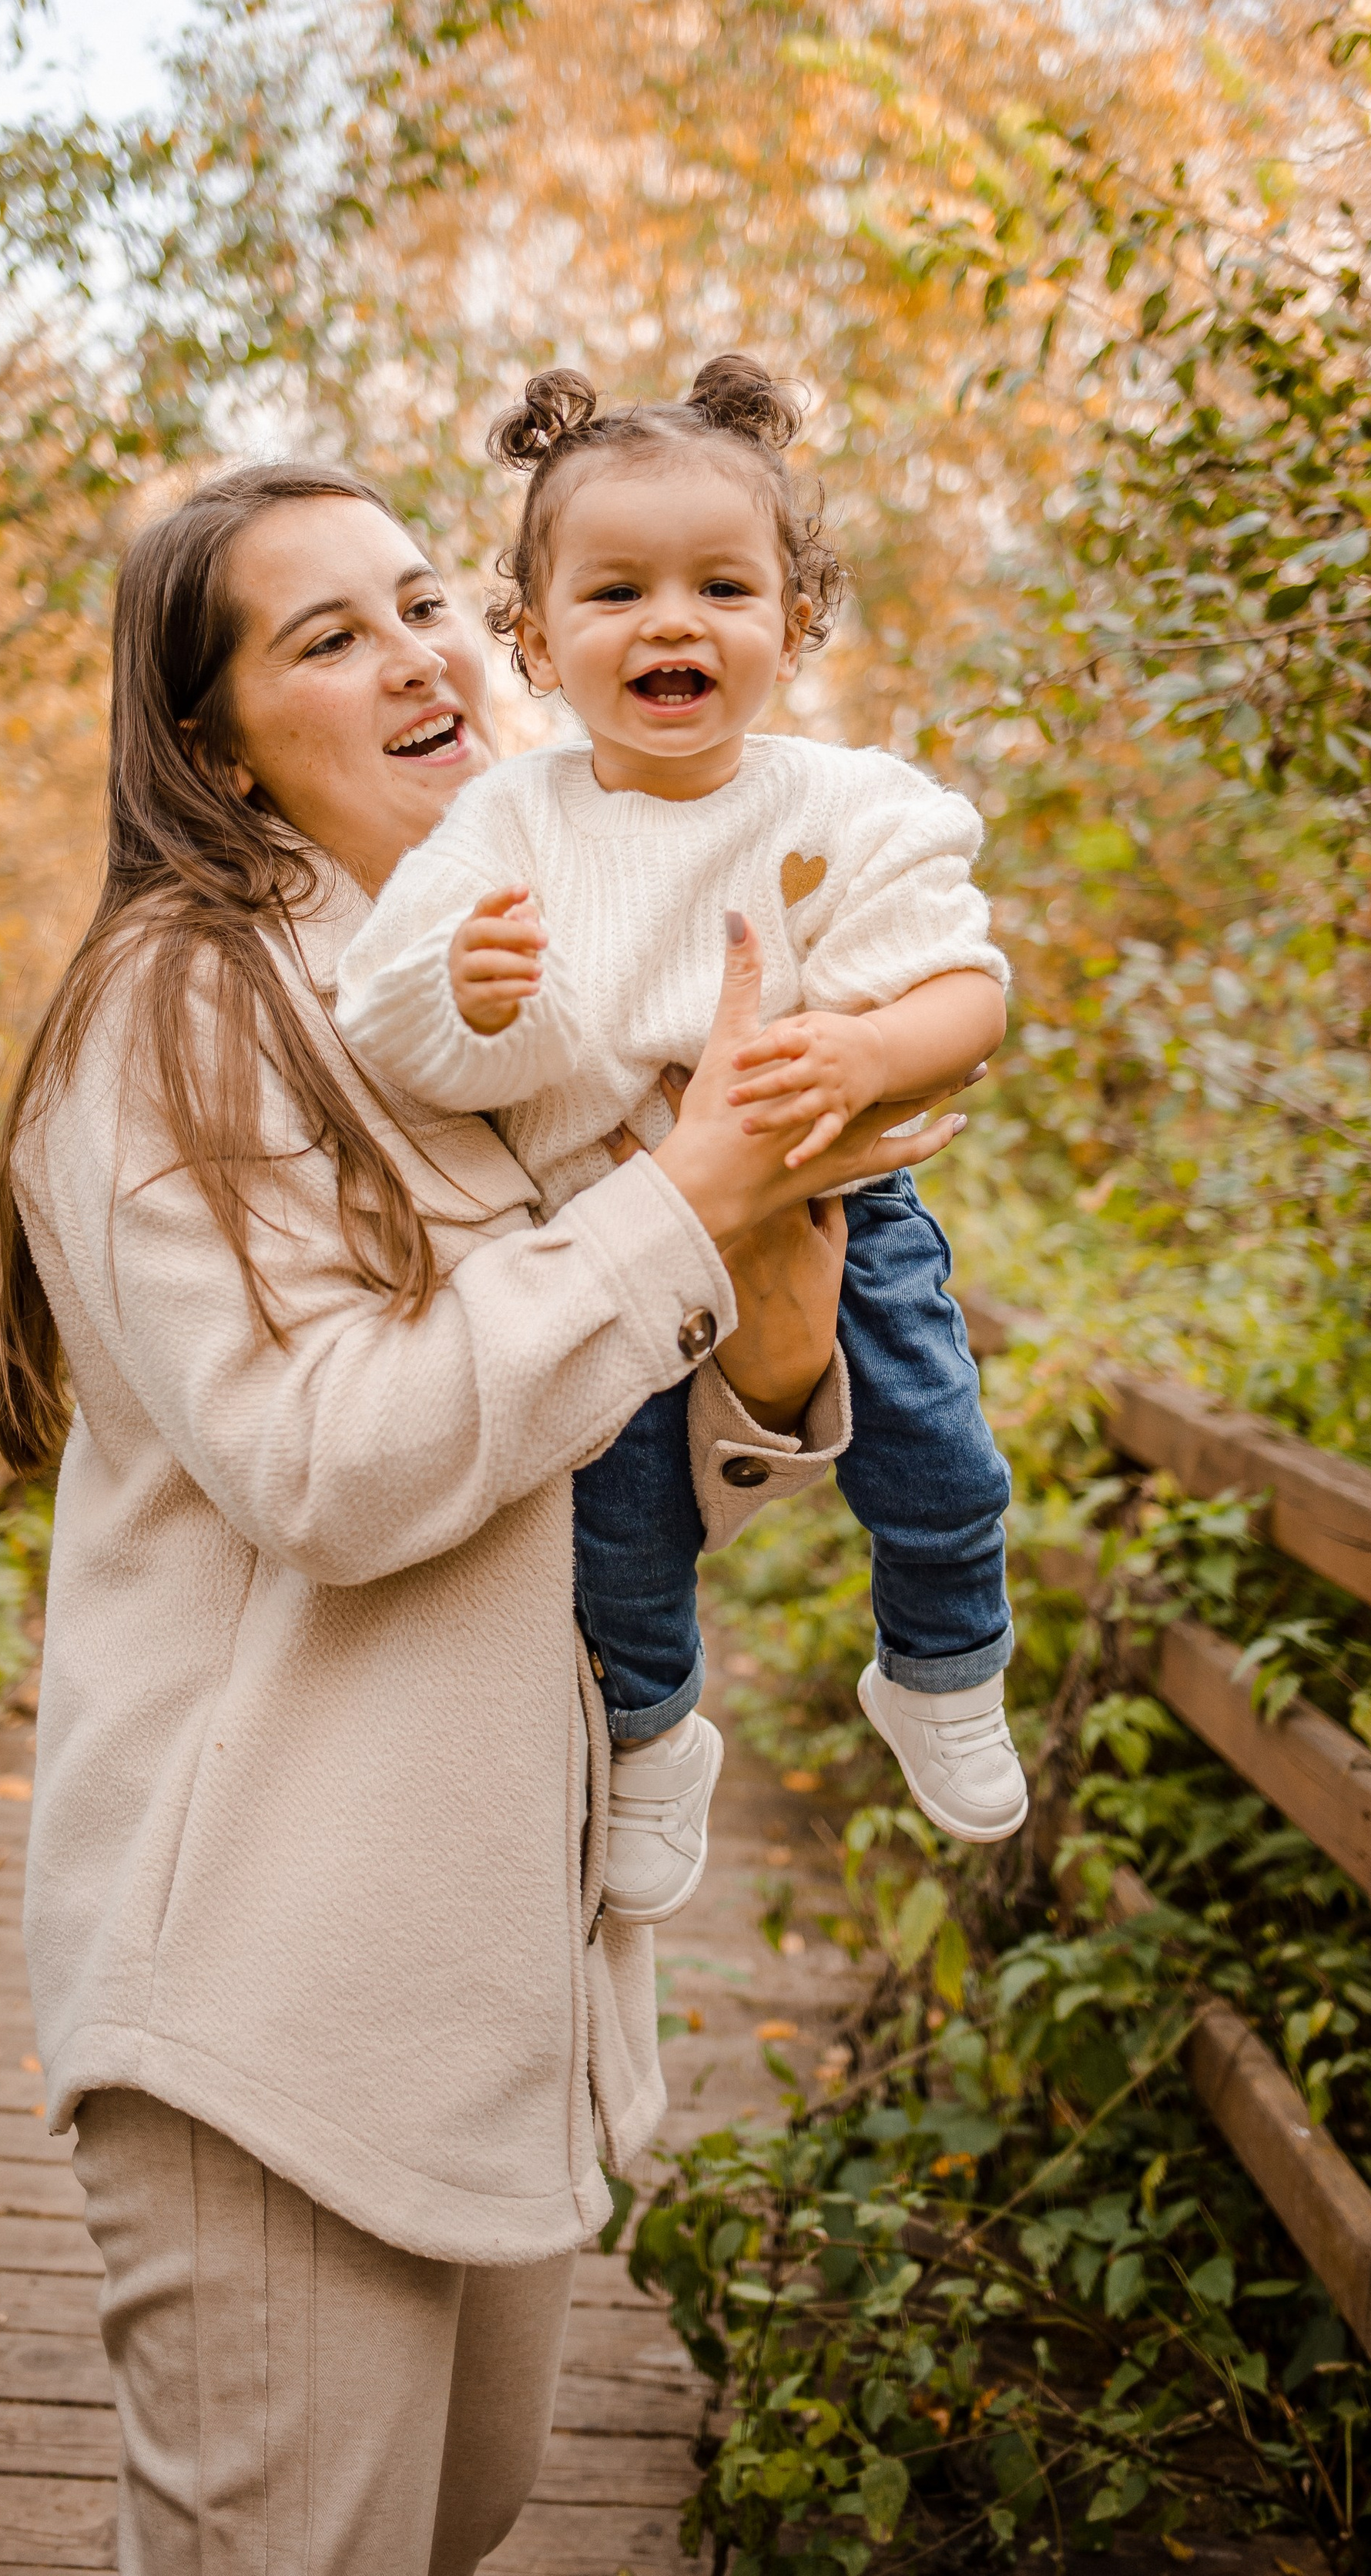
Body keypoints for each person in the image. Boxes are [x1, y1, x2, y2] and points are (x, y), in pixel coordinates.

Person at [0, 461, 967, 2575]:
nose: (417, 653)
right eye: (325, 636)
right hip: (269, 1988)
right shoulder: (193, 1007)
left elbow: (686, 1454)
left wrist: (777, 1270)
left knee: (461, 2517)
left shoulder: (540, 984)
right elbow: (330, 1464)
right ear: (217, 741)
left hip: (491, 1975)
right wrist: (684, 1203)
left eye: (424, 601)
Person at [336, 357, 1026, 1929]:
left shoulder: (850, 804)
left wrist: (861, 1047)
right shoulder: (507, 826)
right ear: (531, 641)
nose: (671, 621)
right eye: (616, 590)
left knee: (940, 1458)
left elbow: (965, 996)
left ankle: (940, 1667)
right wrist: (465, 987)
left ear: (791, 624)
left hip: (843, 1198)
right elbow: (387, 1023)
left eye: (721, 585)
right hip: (608, 1221)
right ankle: (650, 1736)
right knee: (617, 1524)